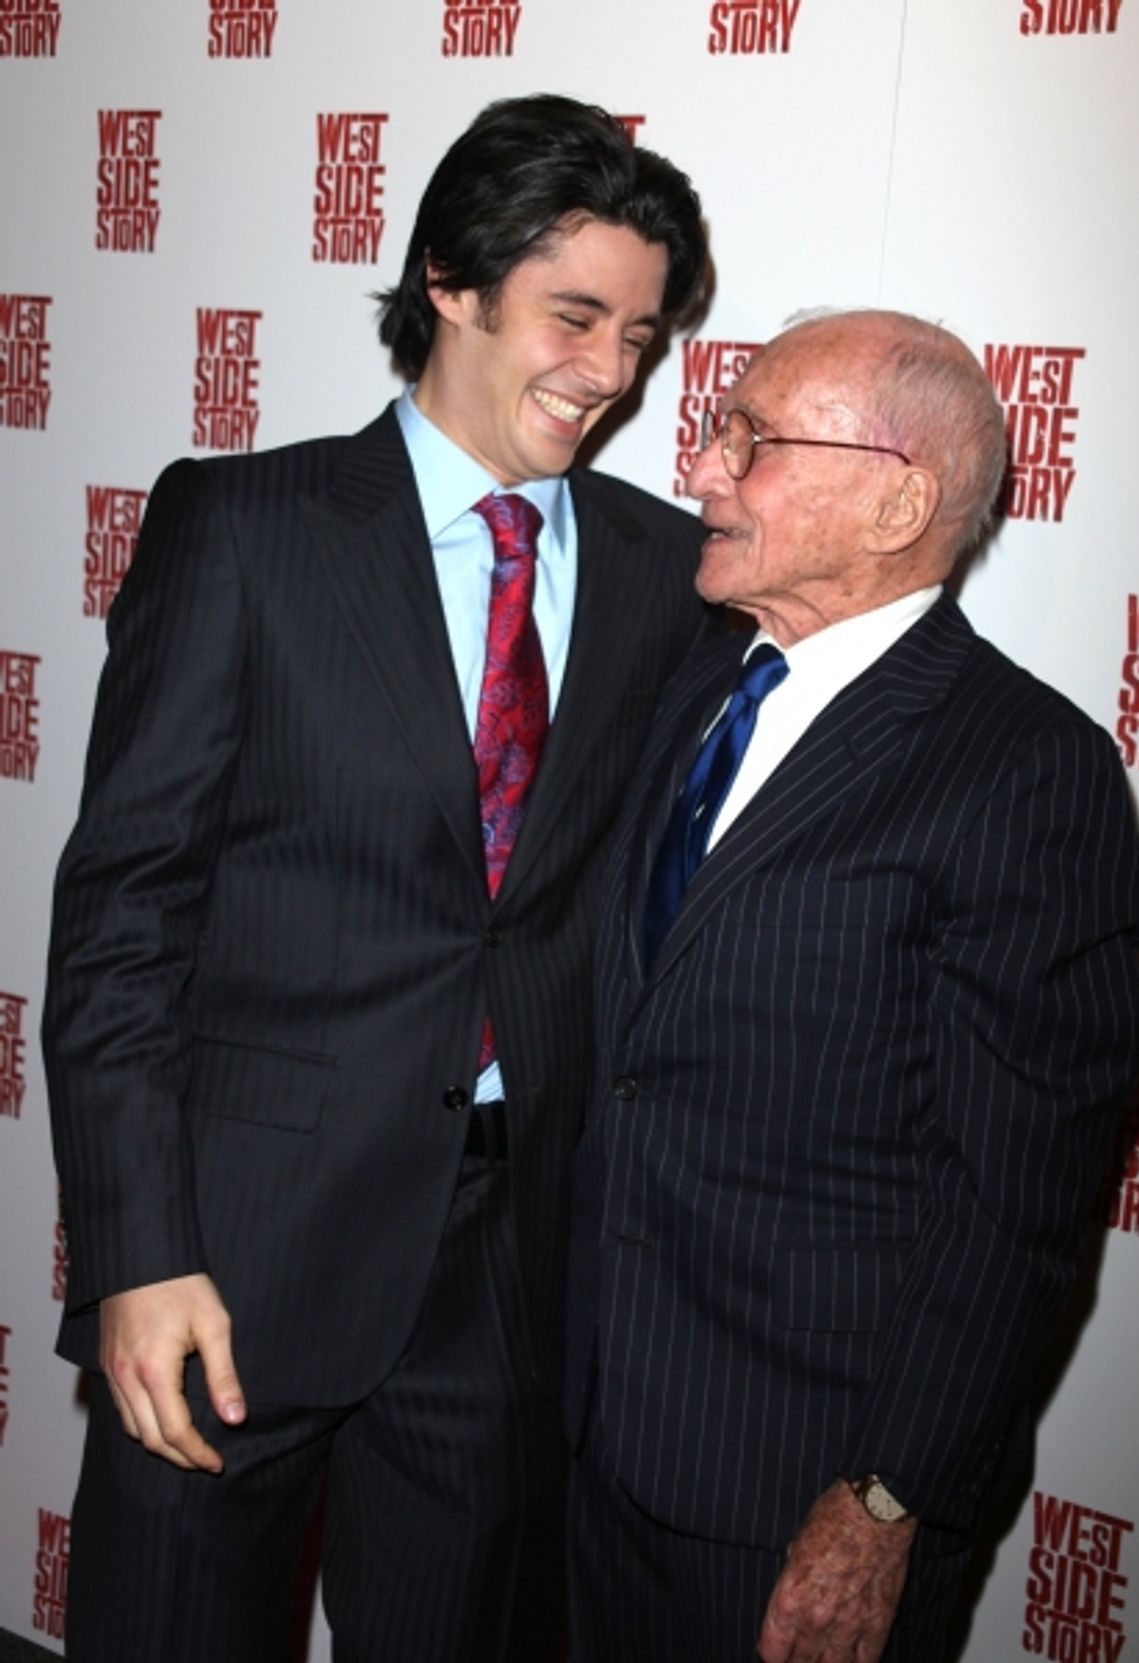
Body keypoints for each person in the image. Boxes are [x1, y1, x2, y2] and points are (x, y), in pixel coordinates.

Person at [42, 94, 709, 1663]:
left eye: (643, 333)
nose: (609, 373)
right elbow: (124, 913)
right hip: (239, 1247)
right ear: (451, 285)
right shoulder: (246, 526)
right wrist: (138, 1250)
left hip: (506, 1268)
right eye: (575, 317)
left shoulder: (666, 572)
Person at [564, 309, 1139, 1663]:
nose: (700, 469)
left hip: (798, 1492)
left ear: (898, 499)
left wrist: (885, 1500)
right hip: (592, 1436)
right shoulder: (694, 684)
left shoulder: (1025, 772)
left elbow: (1016, 1206)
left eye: (748, 440)